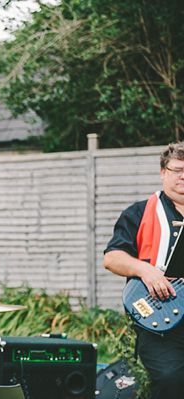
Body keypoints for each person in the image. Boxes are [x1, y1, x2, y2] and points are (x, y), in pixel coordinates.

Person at [104, 141, 184, 399]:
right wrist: (144, 270)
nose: (183, 176)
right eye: (177, 170)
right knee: (171, 378)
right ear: (163, 172)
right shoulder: (139, 212)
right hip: (160, 319)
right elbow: (112, 258)